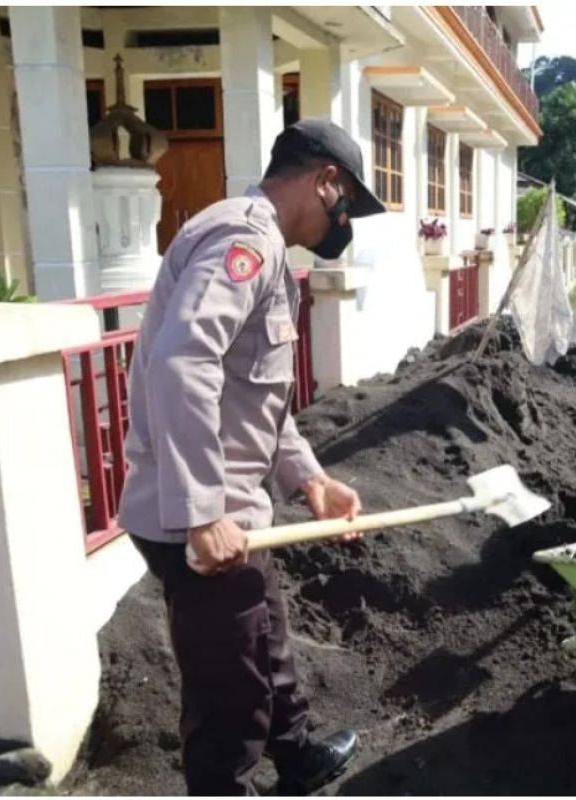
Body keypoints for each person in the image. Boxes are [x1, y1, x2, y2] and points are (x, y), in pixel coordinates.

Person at [117, 119, 386, 796]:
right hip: (198, 518)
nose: (344, 218)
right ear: (325, 180)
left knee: (267, 639)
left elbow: (253, 401)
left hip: (235, 506)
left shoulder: (265, 248)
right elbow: (183, 362)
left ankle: (296, 760)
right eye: (347, 200)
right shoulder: (244, 241)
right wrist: (203, 511)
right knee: (229, 697)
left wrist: (313, 481)